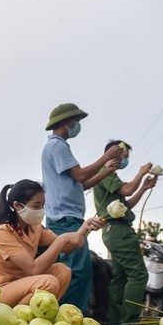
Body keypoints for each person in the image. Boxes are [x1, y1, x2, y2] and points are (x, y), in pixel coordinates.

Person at [41, 103, 123, 312]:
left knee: (77, 270)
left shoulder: (58, 146)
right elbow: (80, 175)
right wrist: (105, 157)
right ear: (67, 121)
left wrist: (106, 170)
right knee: (76, 271)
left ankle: (68, 316)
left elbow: (81, 183)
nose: (77, 125)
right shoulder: (57, 146)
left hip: (67, 217)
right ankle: (69, 317)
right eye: (76, 121)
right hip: (64, 218)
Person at [0, 180, 104, 306]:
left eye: (43, 205)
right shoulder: (2, 232)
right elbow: (34, 269)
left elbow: (68, 247)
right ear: (18, 206)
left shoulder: (34, 227)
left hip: (23, 282)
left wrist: (85, 227)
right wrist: (61, 239)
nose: (41, 210)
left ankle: (40, 315)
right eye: (36, 206)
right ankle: (16, 318)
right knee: (48, 283)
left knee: (63, 271)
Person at [92, 140, 157, 325]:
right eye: (123, 156)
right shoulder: (106, 173)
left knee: (120, 278)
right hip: (118, 231)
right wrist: (141, 172)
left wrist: (143, 187)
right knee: (138, 275)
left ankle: (115, 323)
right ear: (113, 154)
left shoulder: (107, 176)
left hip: (113, 230)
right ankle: (129, 322)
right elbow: (127, 190)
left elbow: (126, 204)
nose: (124, 160)